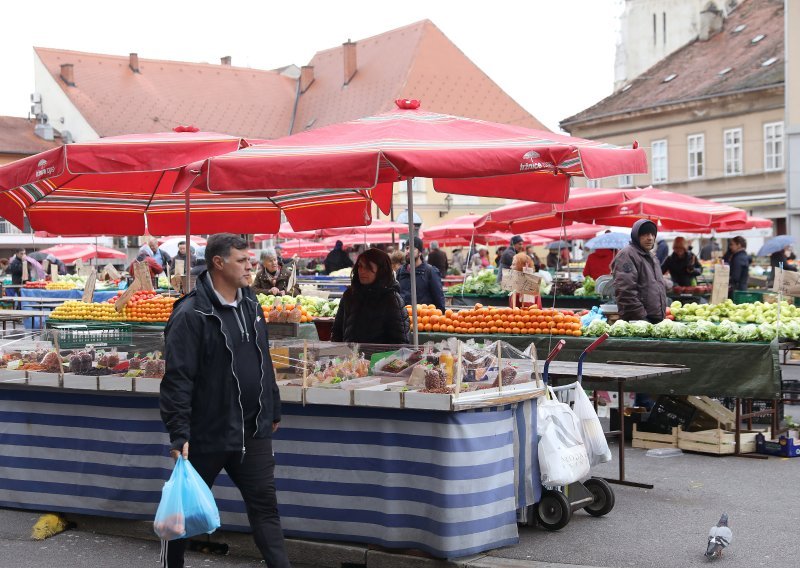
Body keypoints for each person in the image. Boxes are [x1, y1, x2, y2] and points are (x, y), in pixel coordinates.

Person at [159, 233, 290, 568]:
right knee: (182, 517)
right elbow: (178, 379)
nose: (251, 266)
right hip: (207, 432)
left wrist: (272, 406)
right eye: (242, 260)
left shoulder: (251, 305)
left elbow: (263, 359)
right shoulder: (191, 314)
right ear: (218, 263)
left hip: (253, 431)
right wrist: (179, 433)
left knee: (266, 511)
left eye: (250, 260)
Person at [331, 248, 410, 345]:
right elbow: (337, 331)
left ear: (381, 270)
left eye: (368, 267)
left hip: (380, 359)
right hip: (349, 358)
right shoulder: (349, 295)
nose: (362, 271)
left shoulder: (392, 299)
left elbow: (400, 343)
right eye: (360, 266)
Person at [611, 219, 667, 323]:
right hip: (639, 321)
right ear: (636, 236)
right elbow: (625, 291)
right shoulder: (627, 255)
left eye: (652, 234)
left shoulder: (652, 256)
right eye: (645, 234)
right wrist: (642, 318)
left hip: (654, 320)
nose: (650, 238)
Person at [397, 237, 446, 312]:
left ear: (420, 252)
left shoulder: (430, 271)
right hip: (405, 319)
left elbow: (439, 299)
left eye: (412, 248)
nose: (408, 251)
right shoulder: (400, 271)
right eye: (407, 248)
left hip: (424, 319)